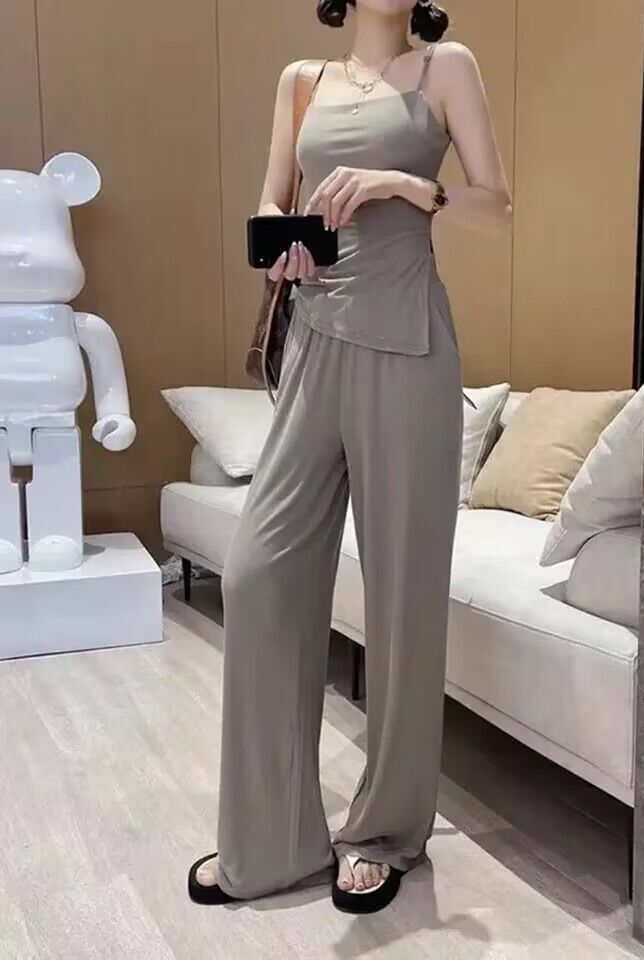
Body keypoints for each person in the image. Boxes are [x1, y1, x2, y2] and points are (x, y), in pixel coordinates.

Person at [188, 0, 511, 915]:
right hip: (314, 341)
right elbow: (273, 198)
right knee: (257, 577)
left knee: (404, 596)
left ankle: (384, 831)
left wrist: (407, 185)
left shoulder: (447, 68)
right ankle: (271, 838)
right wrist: (281, 245)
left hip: (409, 345)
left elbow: (496, 208)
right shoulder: (302, 83)